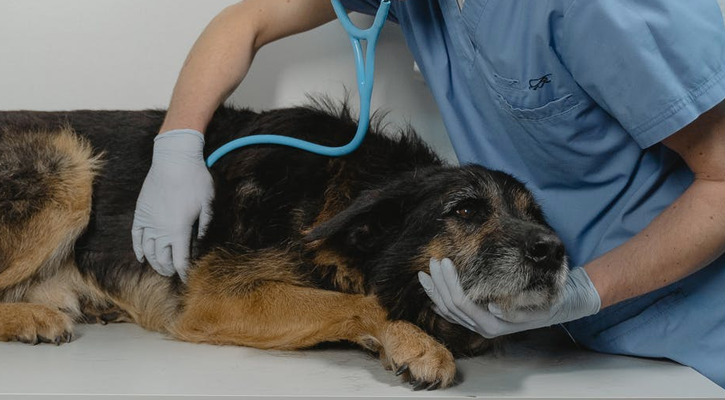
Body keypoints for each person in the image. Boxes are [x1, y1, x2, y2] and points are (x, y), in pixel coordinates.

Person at [131, 0, 725, 387]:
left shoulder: (603, 9)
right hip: (551, 340)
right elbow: (248, 20)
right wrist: (178, 141)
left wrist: (583, 293)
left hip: (691, 322)